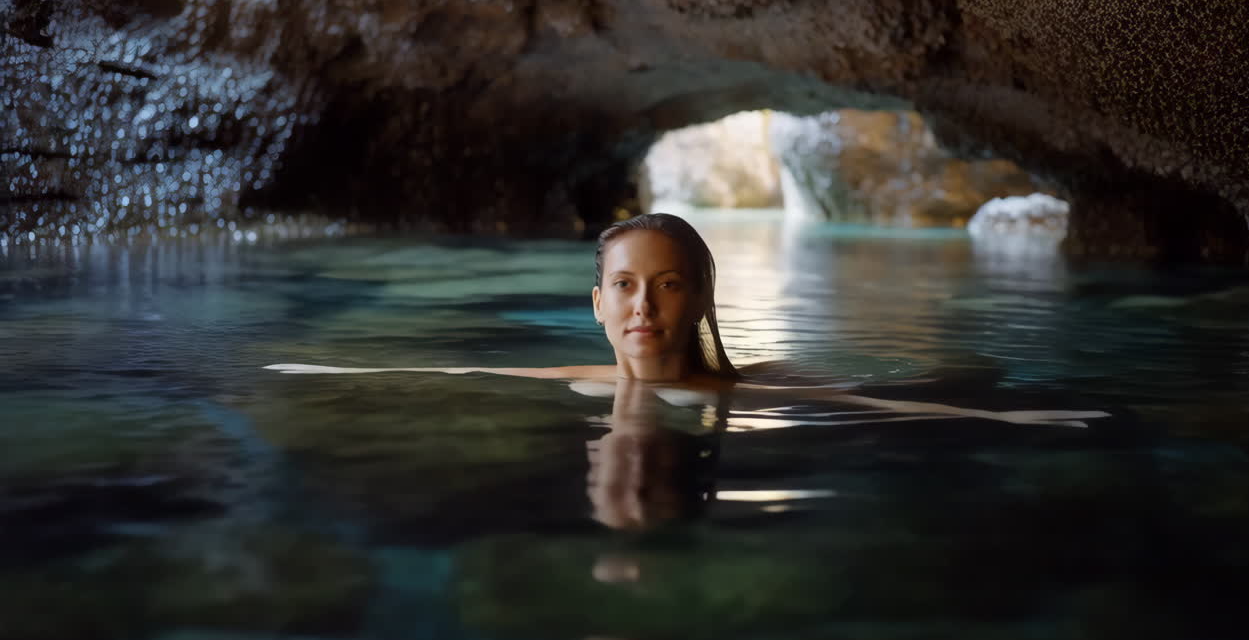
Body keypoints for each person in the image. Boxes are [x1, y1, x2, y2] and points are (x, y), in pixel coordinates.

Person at [266, 212, 1108, 428]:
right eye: (626, 287)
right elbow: (458, 374)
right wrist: (324, 375)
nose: (643, 305)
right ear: (597, 305)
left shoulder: (739, 395)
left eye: (667, 285)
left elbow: (880, 408)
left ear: (699, 299)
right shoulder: (581, 377)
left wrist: (1005, 416)